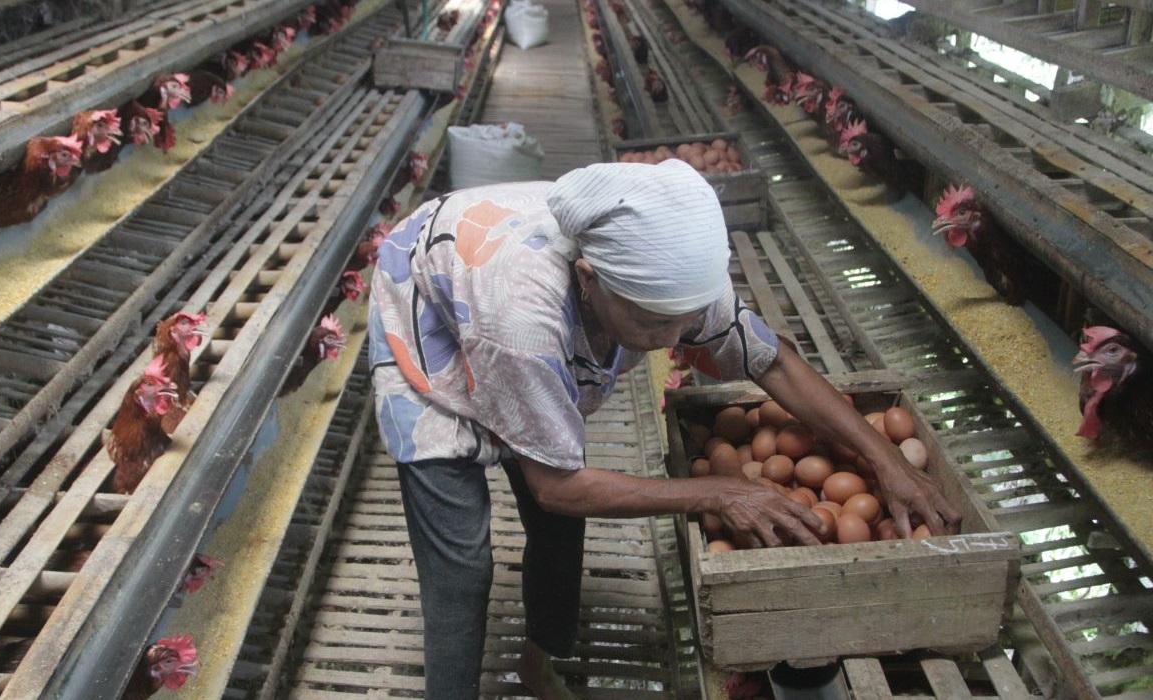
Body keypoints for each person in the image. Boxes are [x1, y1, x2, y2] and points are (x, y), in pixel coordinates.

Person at [367, 159, 961, 699]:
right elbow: (556, 485)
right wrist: (718, 490)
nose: (674, 341)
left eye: (685, 319)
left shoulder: (672, 272)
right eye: (652, 321)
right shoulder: (524, 322)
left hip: (516, 308)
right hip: (430, 308)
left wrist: (887, 460)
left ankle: (538, 659)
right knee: (462, 560)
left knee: (559, 526)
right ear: (588, 276)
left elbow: (770, 360)